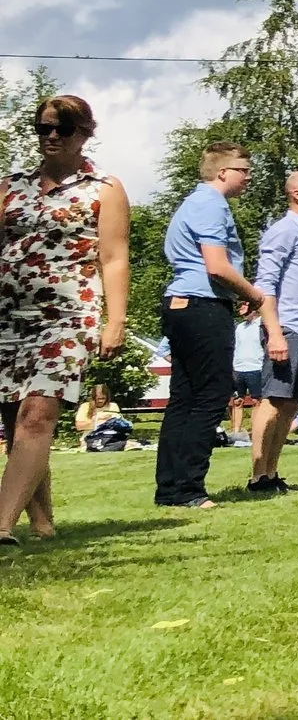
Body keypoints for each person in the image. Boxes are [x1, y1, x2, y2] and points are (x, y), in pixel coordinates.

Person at [0, 95, 130, 542]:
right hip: (9, 315)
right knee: (16, 416)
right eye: (44, 129)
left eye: (65, 129)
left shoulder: (103, 188)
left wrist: (116, 321)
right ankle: (42, 522)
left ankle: (0, 523)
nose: (53, 137)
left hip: (69, 314)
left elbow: (113, 257)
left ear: (86, 133)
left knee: (37, 414)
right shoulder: (9, 186)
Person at [154, 141, 279, 510]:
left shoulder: (194, 202)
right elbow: (217, 266)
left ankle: (171, 490)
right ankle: (190, 489)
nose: (249, 178)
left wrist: (231, 292)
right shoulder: (211, 204)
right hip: (201, 306)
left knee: (184, 397)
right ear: (223, 173)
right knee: (210, 396)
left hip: (185, 304)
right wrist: (254, 295)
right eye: (245, 170)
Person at [246, 169, 298, 495]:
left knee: (292, 402)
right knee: (273, 399)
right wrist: (275, 332)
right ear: (297, 194)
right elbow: (264, 286)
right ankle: (257, 476)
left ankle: (272, 470)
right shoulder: (282, 231)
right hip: (287, 327)